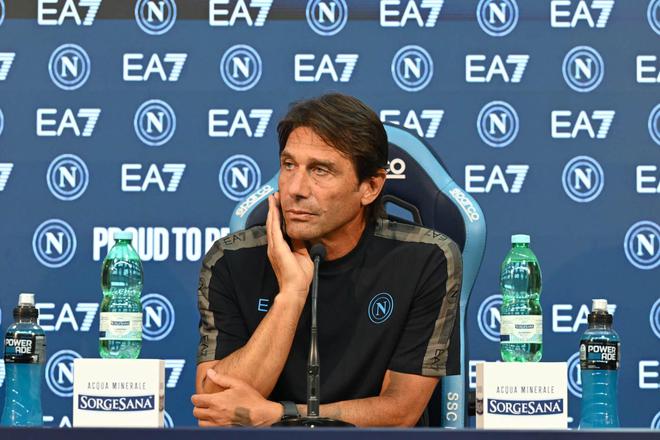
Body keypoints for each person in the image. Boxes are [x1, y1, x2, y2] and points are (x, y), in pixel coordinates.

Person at [192, 93, 462, 427]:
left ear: (370, 186)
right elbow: (216, 408)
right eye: (289, 165)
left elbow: (400, 411)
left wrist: (282, 415)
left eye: (320, 170)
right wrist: (291, 295)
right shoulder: (232, 259)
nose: (295, 188)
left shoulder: (426, 259)